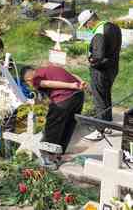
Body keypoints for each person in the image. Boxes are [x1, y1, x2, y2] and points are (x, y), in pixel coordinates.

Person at [21, 66, 86, 167]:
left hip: (64, 98)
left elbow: (48, 83)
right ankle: (58, 155)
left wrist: (72, 85)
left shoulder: (35, 78)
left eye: (28, 83)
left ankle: (49, 160)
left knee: (52, 127)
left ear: (28, 79)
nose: (31, 85)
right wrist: (80, 82)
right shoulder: (48, 68)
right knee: (68, 126)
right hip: (79, 96)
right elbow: (73, 75)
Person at [78, 10, 122, 141]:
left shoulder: (99, 32)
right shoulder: (113, 26)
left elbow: (98, 56)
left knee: (99, 100)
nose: (86, 28)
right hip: (113, 67)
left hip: (100, 71)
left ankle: (99, 130)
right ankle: (107, 124)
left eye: (86, 25)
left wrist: (90, 60)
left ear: (90, 20)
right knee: (106, 96)